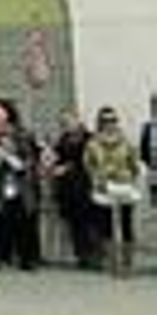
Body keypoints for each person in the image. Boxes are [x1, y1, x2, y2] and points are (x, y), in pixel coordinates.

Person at [0, 99, 41, 271]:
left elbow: (30, 158)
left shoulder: (22, 134)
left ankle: (26, 258)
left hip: (19, 184)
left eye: (2, 115)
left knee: (23, 221)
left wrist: (15, 154)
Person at [85, 106, 142, 277]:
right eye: (106, 120)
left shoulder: (126, 141)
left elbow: (134, 164)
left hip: (124, 186)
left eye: (113, 120)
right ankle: (112, 264)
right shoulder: (93, 143)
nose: (110, 124)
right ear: (100, 123)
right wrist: (98, 177)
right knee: (106, 226)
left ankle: (127, 264)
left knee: (126, 224)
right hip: (103, 187)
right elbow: (88, 165)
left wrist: (129, 175)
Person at [49, 110, 100, 270]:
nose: (67, 124)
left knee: (90, 222)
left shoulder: (90, 138)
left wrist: (68, 168)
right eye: (63, 122)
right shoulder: (62, 140)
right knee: (75, 224)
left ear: (78, 121)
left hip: (86, 186)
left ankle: (95, 255)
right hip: (68, 190)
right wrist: (53, 165)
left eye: (70, 121)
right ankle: (82, 256)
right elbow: (56, 158)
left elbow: (91, 162)